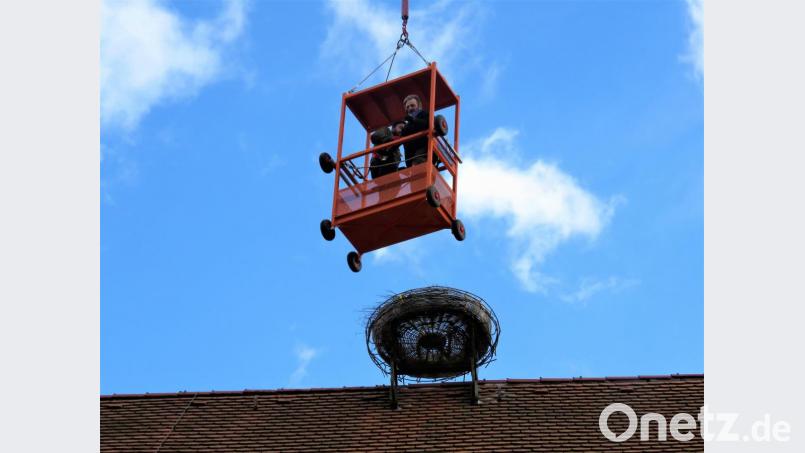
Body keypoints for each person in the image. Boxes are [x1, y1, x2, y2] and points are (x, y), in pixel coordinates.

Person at [400, 94, 439, 168]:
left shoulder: (425, 115)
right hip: (412, 155)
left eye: (412, 105)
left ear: (419, 106)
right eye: (407, 107)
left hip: (426, 149)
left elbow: (428, 125)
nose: (410, 108)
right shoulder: (407, 126)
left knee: (417, 162)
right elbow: (404, 142)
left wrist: (414, 120)